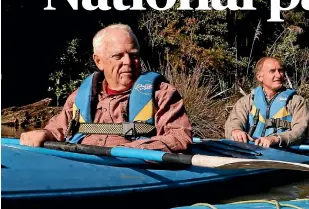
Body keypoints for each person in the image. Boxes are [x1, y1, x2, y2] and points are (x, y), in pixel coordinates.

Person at [20, 24, 192, 152]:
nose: (128, 62)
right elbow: (58, 129)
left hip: (133, 170)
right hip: (82, 166)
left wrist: (130, 149)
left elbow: (179, 137)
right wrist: (44, 134)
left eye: (133, 55)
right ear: (98, 61)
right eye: (118, 56)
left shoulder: (162, 94)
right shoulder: (79, 98)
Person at [225, 56, 309, 148]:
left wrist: (276, 139)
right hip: (251, 150)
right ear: (260, 77)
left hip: (284, 151)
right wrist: (235, 131)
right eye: (272, 71)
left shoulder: (296, 101)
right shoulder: (246, 102)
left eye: (280, 70)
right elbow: (233, 122)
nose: (278, 75)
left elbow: (300, 130)